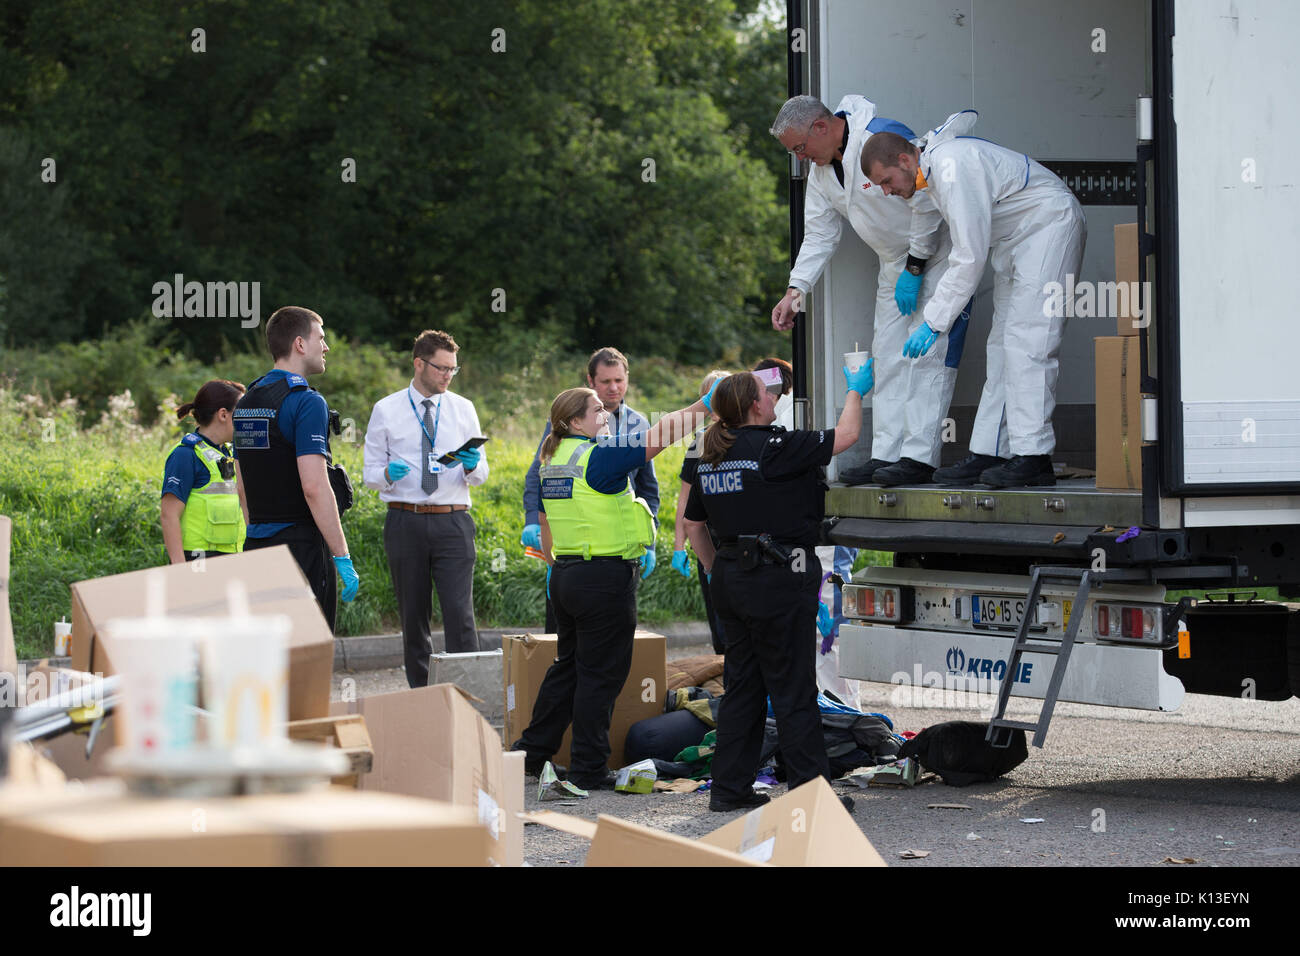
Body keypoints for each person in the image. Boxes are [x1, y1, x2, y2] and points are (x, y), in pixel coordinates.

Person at [683, 361, 874, 812]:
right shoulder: (776, 446)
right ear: (754, 405)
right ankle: (812, 799)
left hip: (731, 577)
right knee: (792, 689)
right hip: (778, 575)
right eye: (767, 393)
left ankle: (729, 789)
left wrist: (717, 571)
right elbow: (845, 436)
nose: (774, 398)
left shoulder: (711, 452)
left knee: (743, 688)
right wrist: (856, 391)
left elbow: (694, 526)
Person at [861, 117, 1087, 488]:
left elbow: (969, 257)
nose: (886, 191)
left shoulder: (950, 168)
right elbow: (928, 217)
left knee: (1029, 343)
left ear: (905, 160)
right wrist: (914, 268)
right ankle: (991, 450)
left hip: (1049, 227)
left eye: (886, 181)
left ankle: (1033, 457)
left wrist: (933, 322)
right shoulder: (930, 174)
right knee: (1001, 345)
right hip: (1020, 238)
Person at [770, 94, 972, 488]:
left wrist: (917, 263)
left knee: (928, 355)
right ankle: (887, 453)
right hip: (895, 263)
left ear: (822, 127)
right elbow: (820, 235)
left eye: (800, 147)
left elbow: (927, 195)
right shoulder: (822, 172)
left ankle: (917, 457)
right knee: (889, 355)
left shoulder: (881, 137)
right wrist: (796, 289)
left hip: (939, 254)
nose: (800, 157)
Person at [511, 386, 707, 790]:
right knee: (599, 676)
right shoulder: (598, 457)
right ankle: (587, 768)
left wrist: (554, 565)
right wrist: (705, 406)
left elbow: (546, 522)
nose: (606, 414)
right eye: (598, 410)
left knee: (568, 667)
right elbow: (661, 434)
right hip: (603, 579)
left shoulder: (553, 459)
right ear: (574, 422)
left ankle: (530, 754)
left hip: (567, 575)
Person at [362, 329, 488, 688]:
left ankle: (470, 695)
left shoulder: (463, 409)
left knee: (459, 616)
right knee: (413, 617)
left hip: (453, 522)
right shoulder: (386, 410)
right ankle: (422, 697)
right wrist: (386, 474)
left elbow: (481, 474)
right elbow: (370, 473)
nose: (448, 375)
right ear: (419, 364)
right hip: (405, 520)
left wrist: (469, 463)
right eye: (441, 368)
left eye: (453, 369)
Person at [233, 306, 358, 633]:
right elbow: (314, 487)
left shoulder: (247, 401)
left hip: (258, 547)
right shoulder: (306, 401)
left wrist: (258, 537)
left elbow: (242, 485)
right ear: (300, 344)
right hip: (301, 548)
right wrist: (341, 556)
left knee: (267, 660)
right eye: (321, 338)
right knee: (308, 659)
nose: (326, 347)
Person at [520, 347, 660, 630]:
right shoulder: (567, 418)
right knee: (570, 637)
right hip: (573, 540)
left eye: (619, 380)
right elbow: (541, 472)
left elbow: (648, 487)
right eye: (606, 381)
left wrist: (650, 540)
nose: (614, 388)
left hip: (617, 544)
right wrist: (533, 521)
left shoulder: (638, 424)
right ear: (590, 381)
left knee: (605, 635)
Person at [672, 369, 730, 658]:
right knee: (719, 627)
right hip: (707, 543)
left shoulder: (747, 437)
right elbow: (685, 500)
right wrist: (678, 547)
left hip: (740, 542)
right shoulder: (700, 444)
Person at [161, 379, 247, 564]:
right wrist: (179, 567)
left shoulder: (230, 452)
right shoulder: (186, 455)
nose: (245, 419)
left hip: (232, 557)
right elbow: (169, 514)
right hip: (197, 560)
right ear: (223, 415)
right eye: (240, 413)